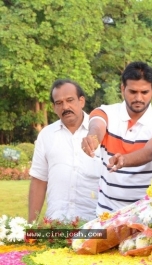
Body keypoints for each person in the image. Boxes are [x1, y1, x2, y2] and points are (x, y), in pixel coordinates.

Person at [81, 61, 152, 215]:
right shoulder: (106, 112)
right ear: (122, 88)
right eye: (133, 92)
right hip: (106, 213)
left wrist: (124, 160)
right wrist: (93, 138)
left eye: (144, 92)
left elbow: (151, 151)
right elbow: (97, 126)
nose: (138, 98)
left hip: (146, 214)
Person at [29, 79, 101, 222]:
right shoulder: (46, 135)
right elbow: (38, 180)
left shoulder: (101, 132)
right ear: (54, 107)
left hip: (94, 225)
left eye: (70, 100)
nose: (65, 107)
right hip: (56, 224)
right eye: (59, 103)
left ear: (81, 101)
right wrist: (31, 226)